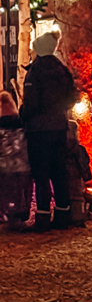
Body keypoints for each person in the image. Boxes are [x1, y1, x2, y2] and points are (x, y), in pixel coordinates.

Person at [20, 32, 76, 231]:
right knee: (59, 172)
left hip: (39, 130)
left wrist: (23, 114)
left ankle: (43, 217)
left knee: (41, 174)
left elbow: (32, 103)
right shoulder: (62, 70)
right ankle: (63, 214)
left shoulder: (35, 71)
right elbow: (72, 97)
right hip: (60, 127)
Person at [0, 91, 32, 227]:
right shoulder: (22, 123)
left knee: (6, 192)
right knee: (22, 193)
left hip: (4, 167)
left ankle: (8, 215)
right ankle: (21, 214)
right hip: (24, 165)